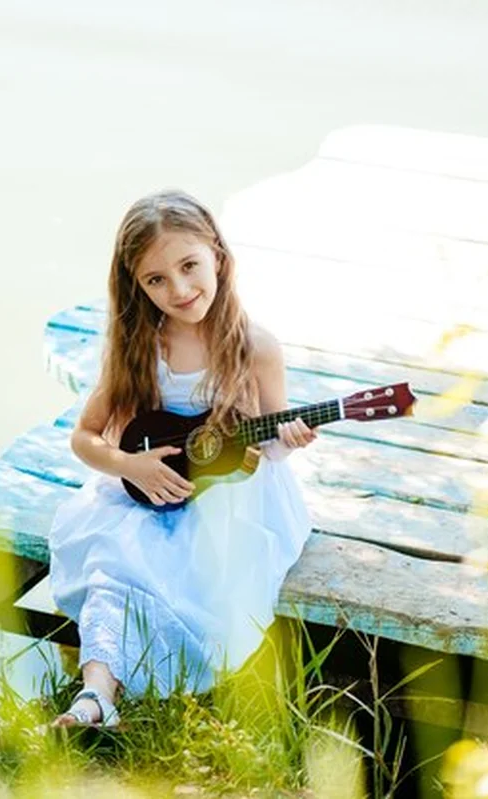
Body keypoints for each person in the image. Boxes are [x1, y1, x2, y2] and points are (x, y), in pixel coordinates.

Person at [48, 190, 314, 729]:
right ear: (137, 286)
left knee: (197, 576)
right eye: (157, 279)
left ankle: (168, 683)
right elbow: (85, 437)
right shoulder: (139, 347)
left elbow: (271, 446)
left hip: (232, 497)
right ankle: (95, 696)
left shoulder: (256, 347)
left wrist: (289, 438)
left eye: (189, 266)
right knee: (114, 559)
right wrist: (130, 466)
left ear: (217, 253)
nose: (180, 290)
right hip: (149, 485)